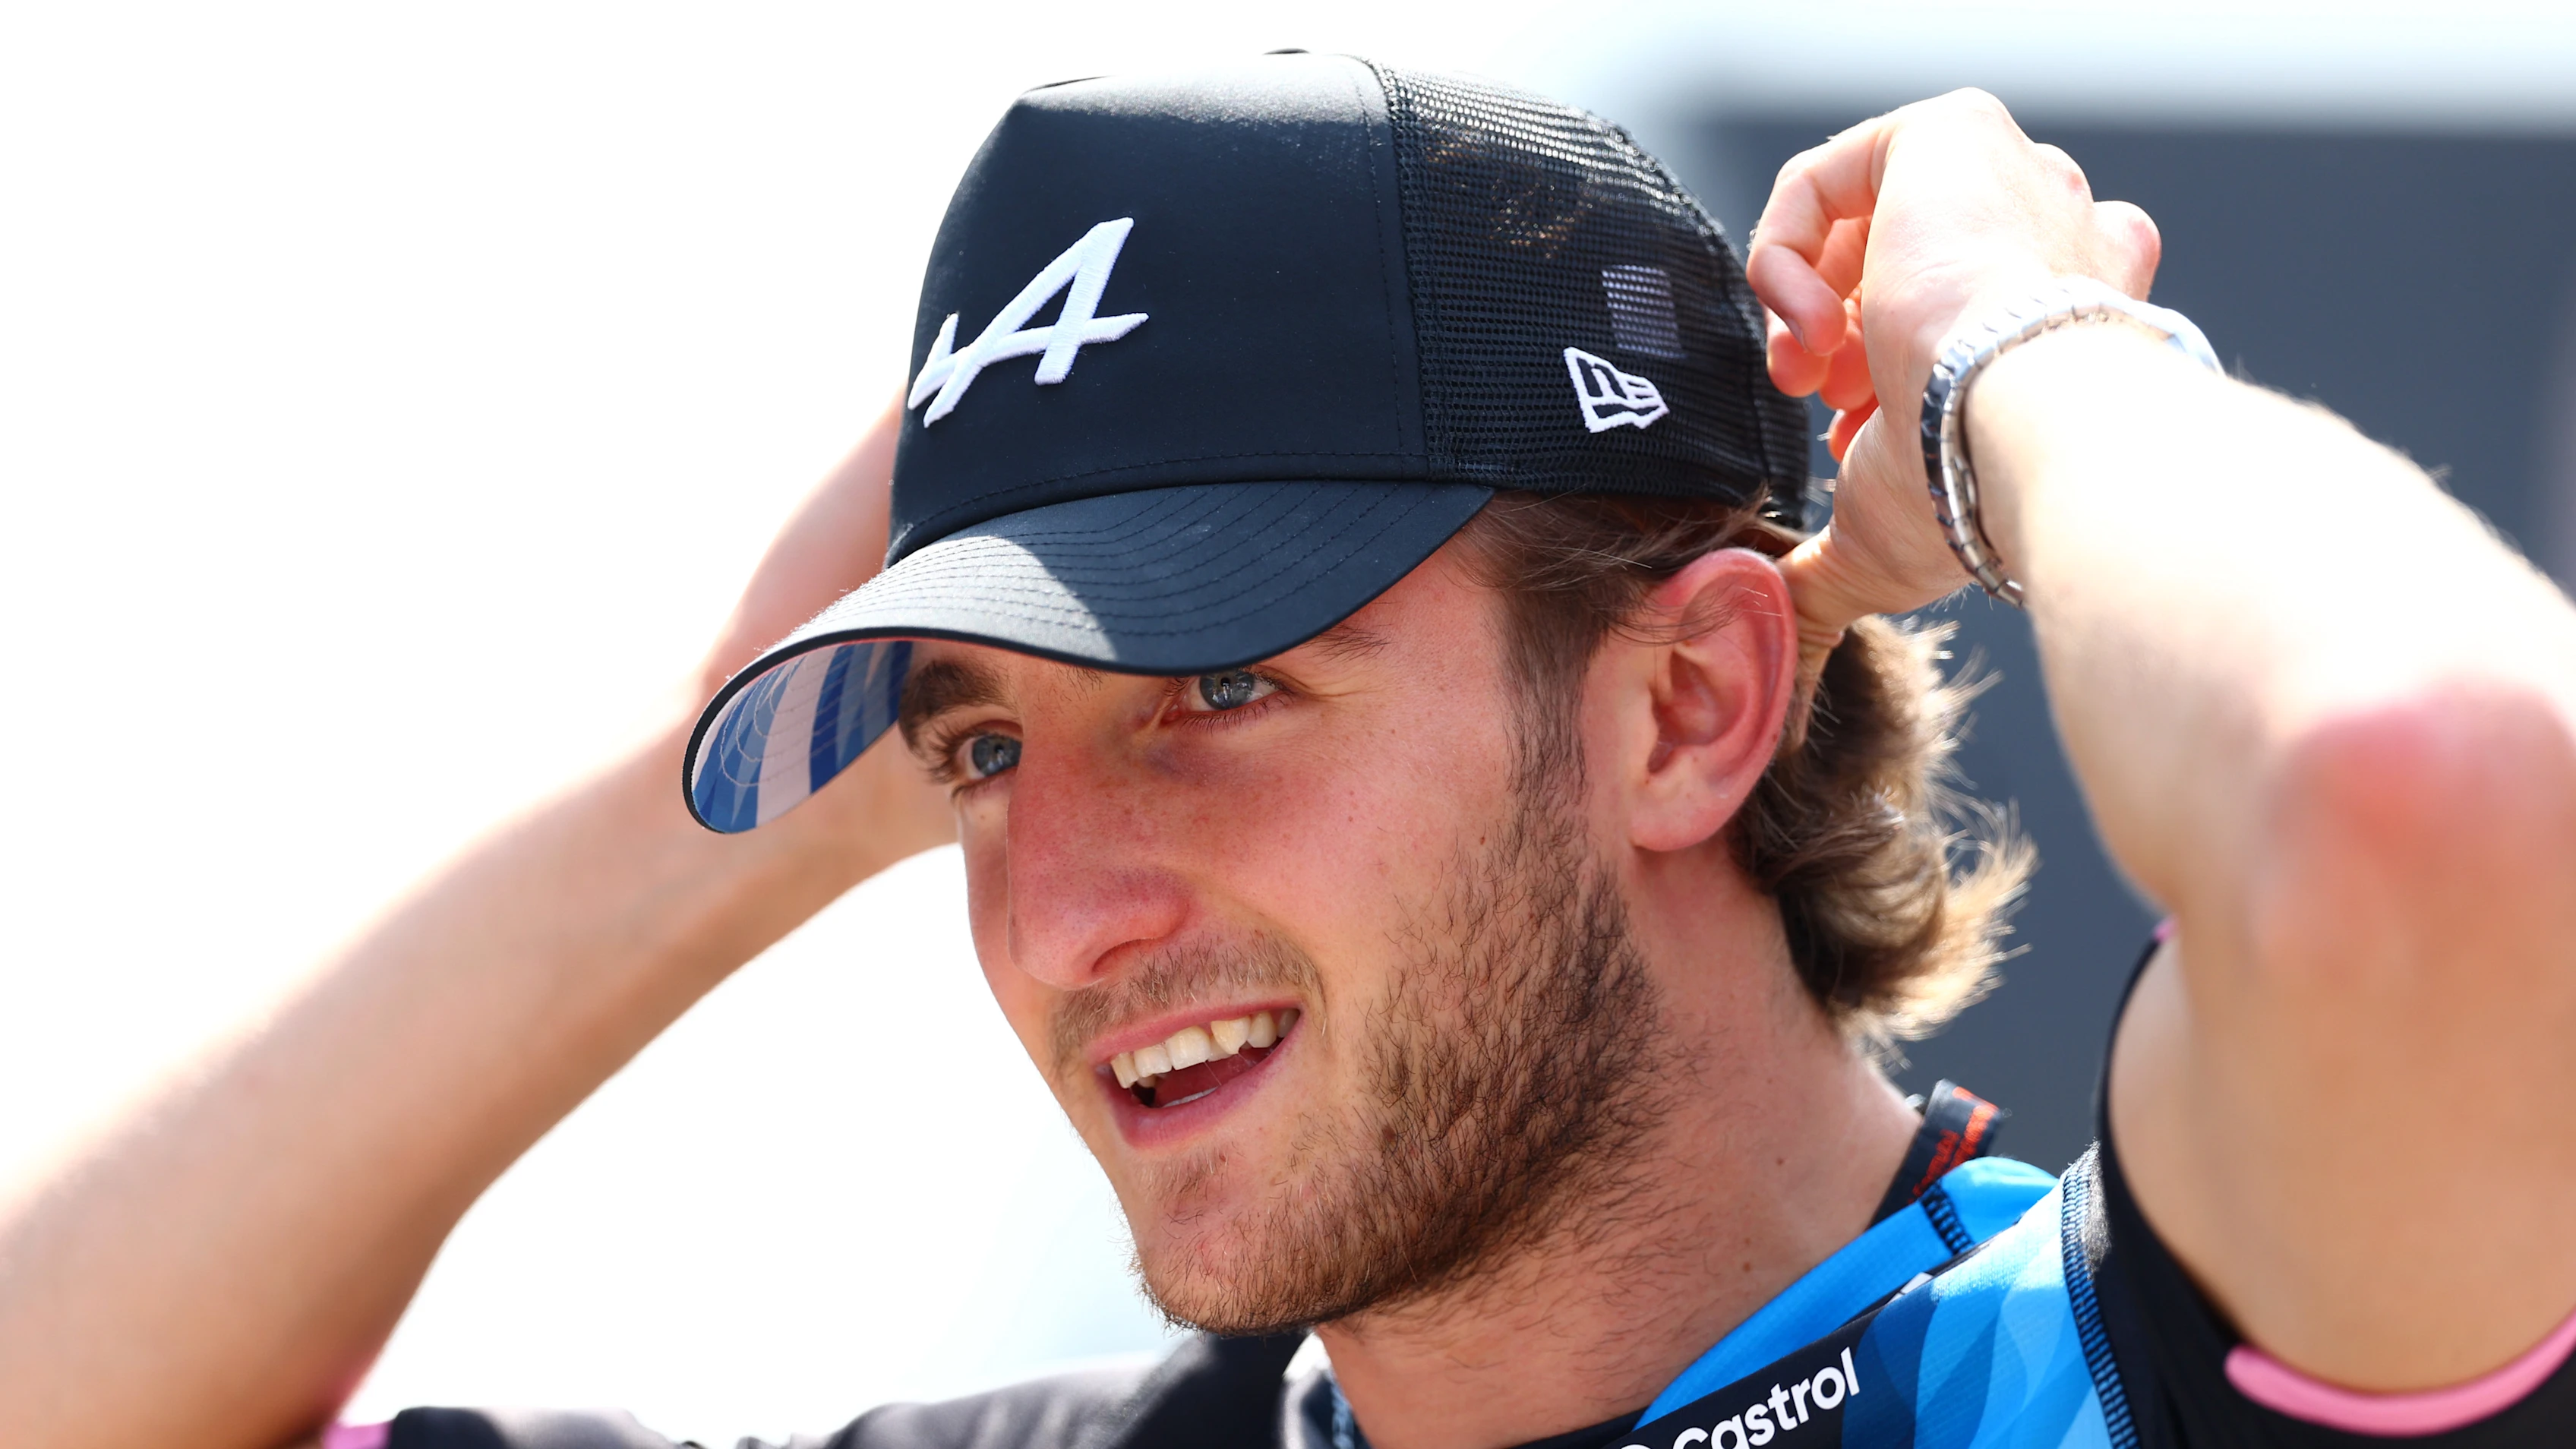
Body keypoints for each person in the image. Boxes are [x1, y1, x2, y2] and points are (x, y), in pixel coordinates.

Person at [5, 51, 2573, 1449]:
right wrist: (730, 784)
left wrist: (2020, 354)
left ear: (1686, 704)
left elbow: (2438, 795)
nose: (1063, 913)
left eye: (1227, 688)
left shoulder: (2122, 1370)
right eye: (988, 756)